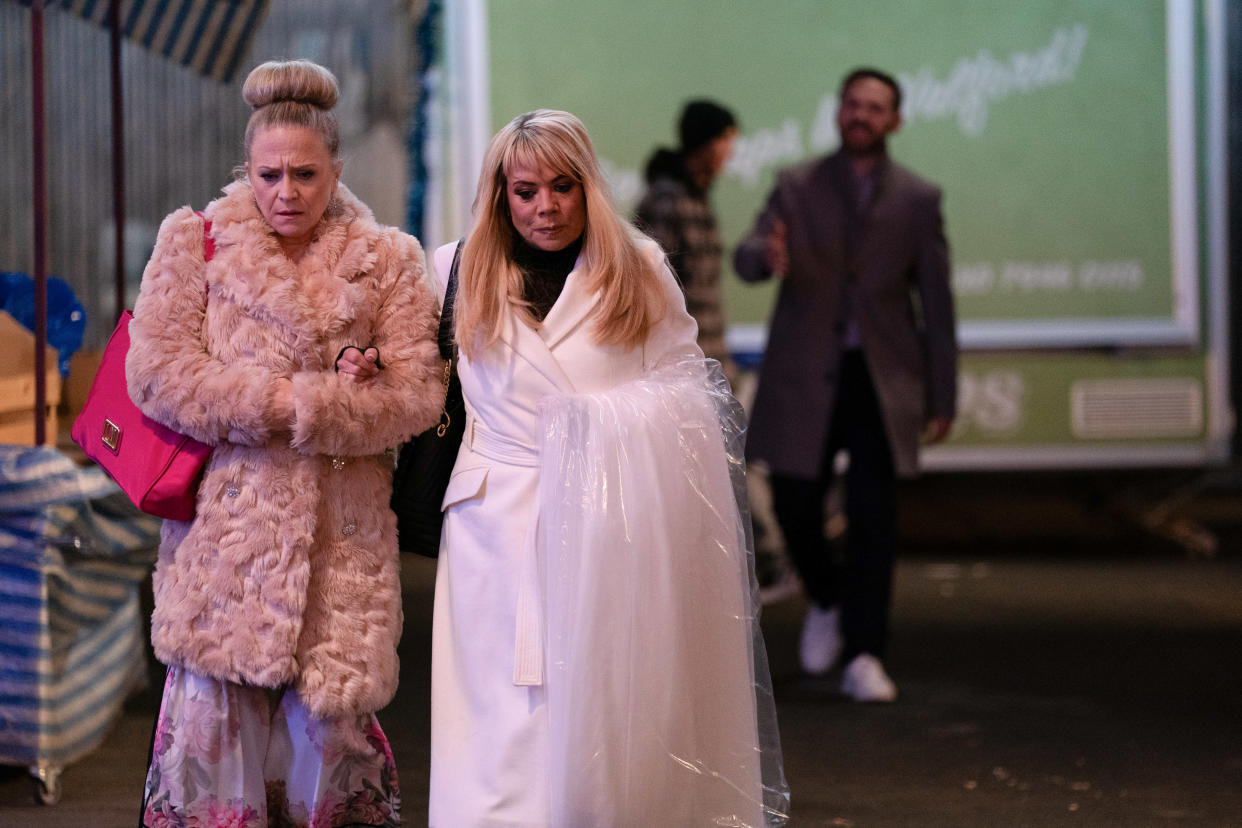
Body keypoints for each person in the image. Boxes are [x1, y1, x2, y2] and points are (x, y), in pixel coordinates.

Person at [426, 109, 787, 826]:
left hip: (610, 528)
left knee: (604, 703)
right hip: (492, 528)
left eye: (563, 186)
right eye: (526, 190)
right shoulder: (452, 267)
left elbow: (691, 395)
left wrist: (595, 435)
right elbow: (412, 384)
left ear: (589, 185)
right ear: (500, 192)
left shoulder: (637, 267)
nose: (546, 207)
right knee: (492, 718)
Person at [127, 59, 444, 826]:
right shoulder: (193, 243)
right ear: (247, 168)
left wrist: (341, 395)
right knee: (214, 732)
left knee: (330, 745)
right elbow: (157, 373)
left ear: (337, 168)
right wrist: (294, 398)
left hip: (343, 537)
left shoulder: (388, 258)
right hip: (226, 535)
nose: (287, 192)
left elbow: (417, 395)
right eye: (269, 174)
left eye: (306, 173)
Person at [734, 67, 958, 702]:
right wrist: (763, 257)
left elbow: (937, 306)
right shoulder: (796, 184)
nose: (861, 115)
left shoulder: (919, 197)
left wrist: (943, 395)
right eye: (853, 104)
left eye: (875, 107)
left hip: (883, 378)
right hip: (806, 370)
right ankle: (827, 597)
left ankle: (865, 654)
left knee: (873, 516)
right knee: (796, 501)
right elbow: (749, 251)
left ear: (894, 120)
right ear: (839, 112)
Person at [633, 99, 739, 384]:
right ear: (705, 142)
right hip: (681, 367)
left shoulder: (696, 197)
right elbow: (655, 289)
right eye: (726, 140)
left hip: (708, 357)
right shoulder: (667, 200)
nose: (731, 152)